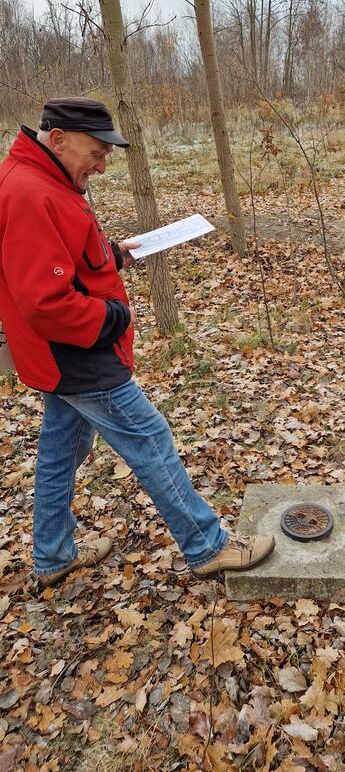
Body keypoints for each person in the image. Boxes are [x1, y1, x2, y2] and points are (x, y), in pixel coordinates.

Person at [0, 97, 274, 588]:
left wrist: (109, 256)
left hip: (61, 356)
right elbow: (45, 301)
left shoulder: (45, 179)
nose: (103, 166)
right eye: (97, 152)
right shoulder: (28, 192)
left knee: (62, 447)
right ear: (58, 139)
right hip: (76, 357)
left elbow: (58, 256)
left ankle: (52, 554)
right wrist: (112, 317)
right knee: (149, 439)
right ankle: (208, 546)